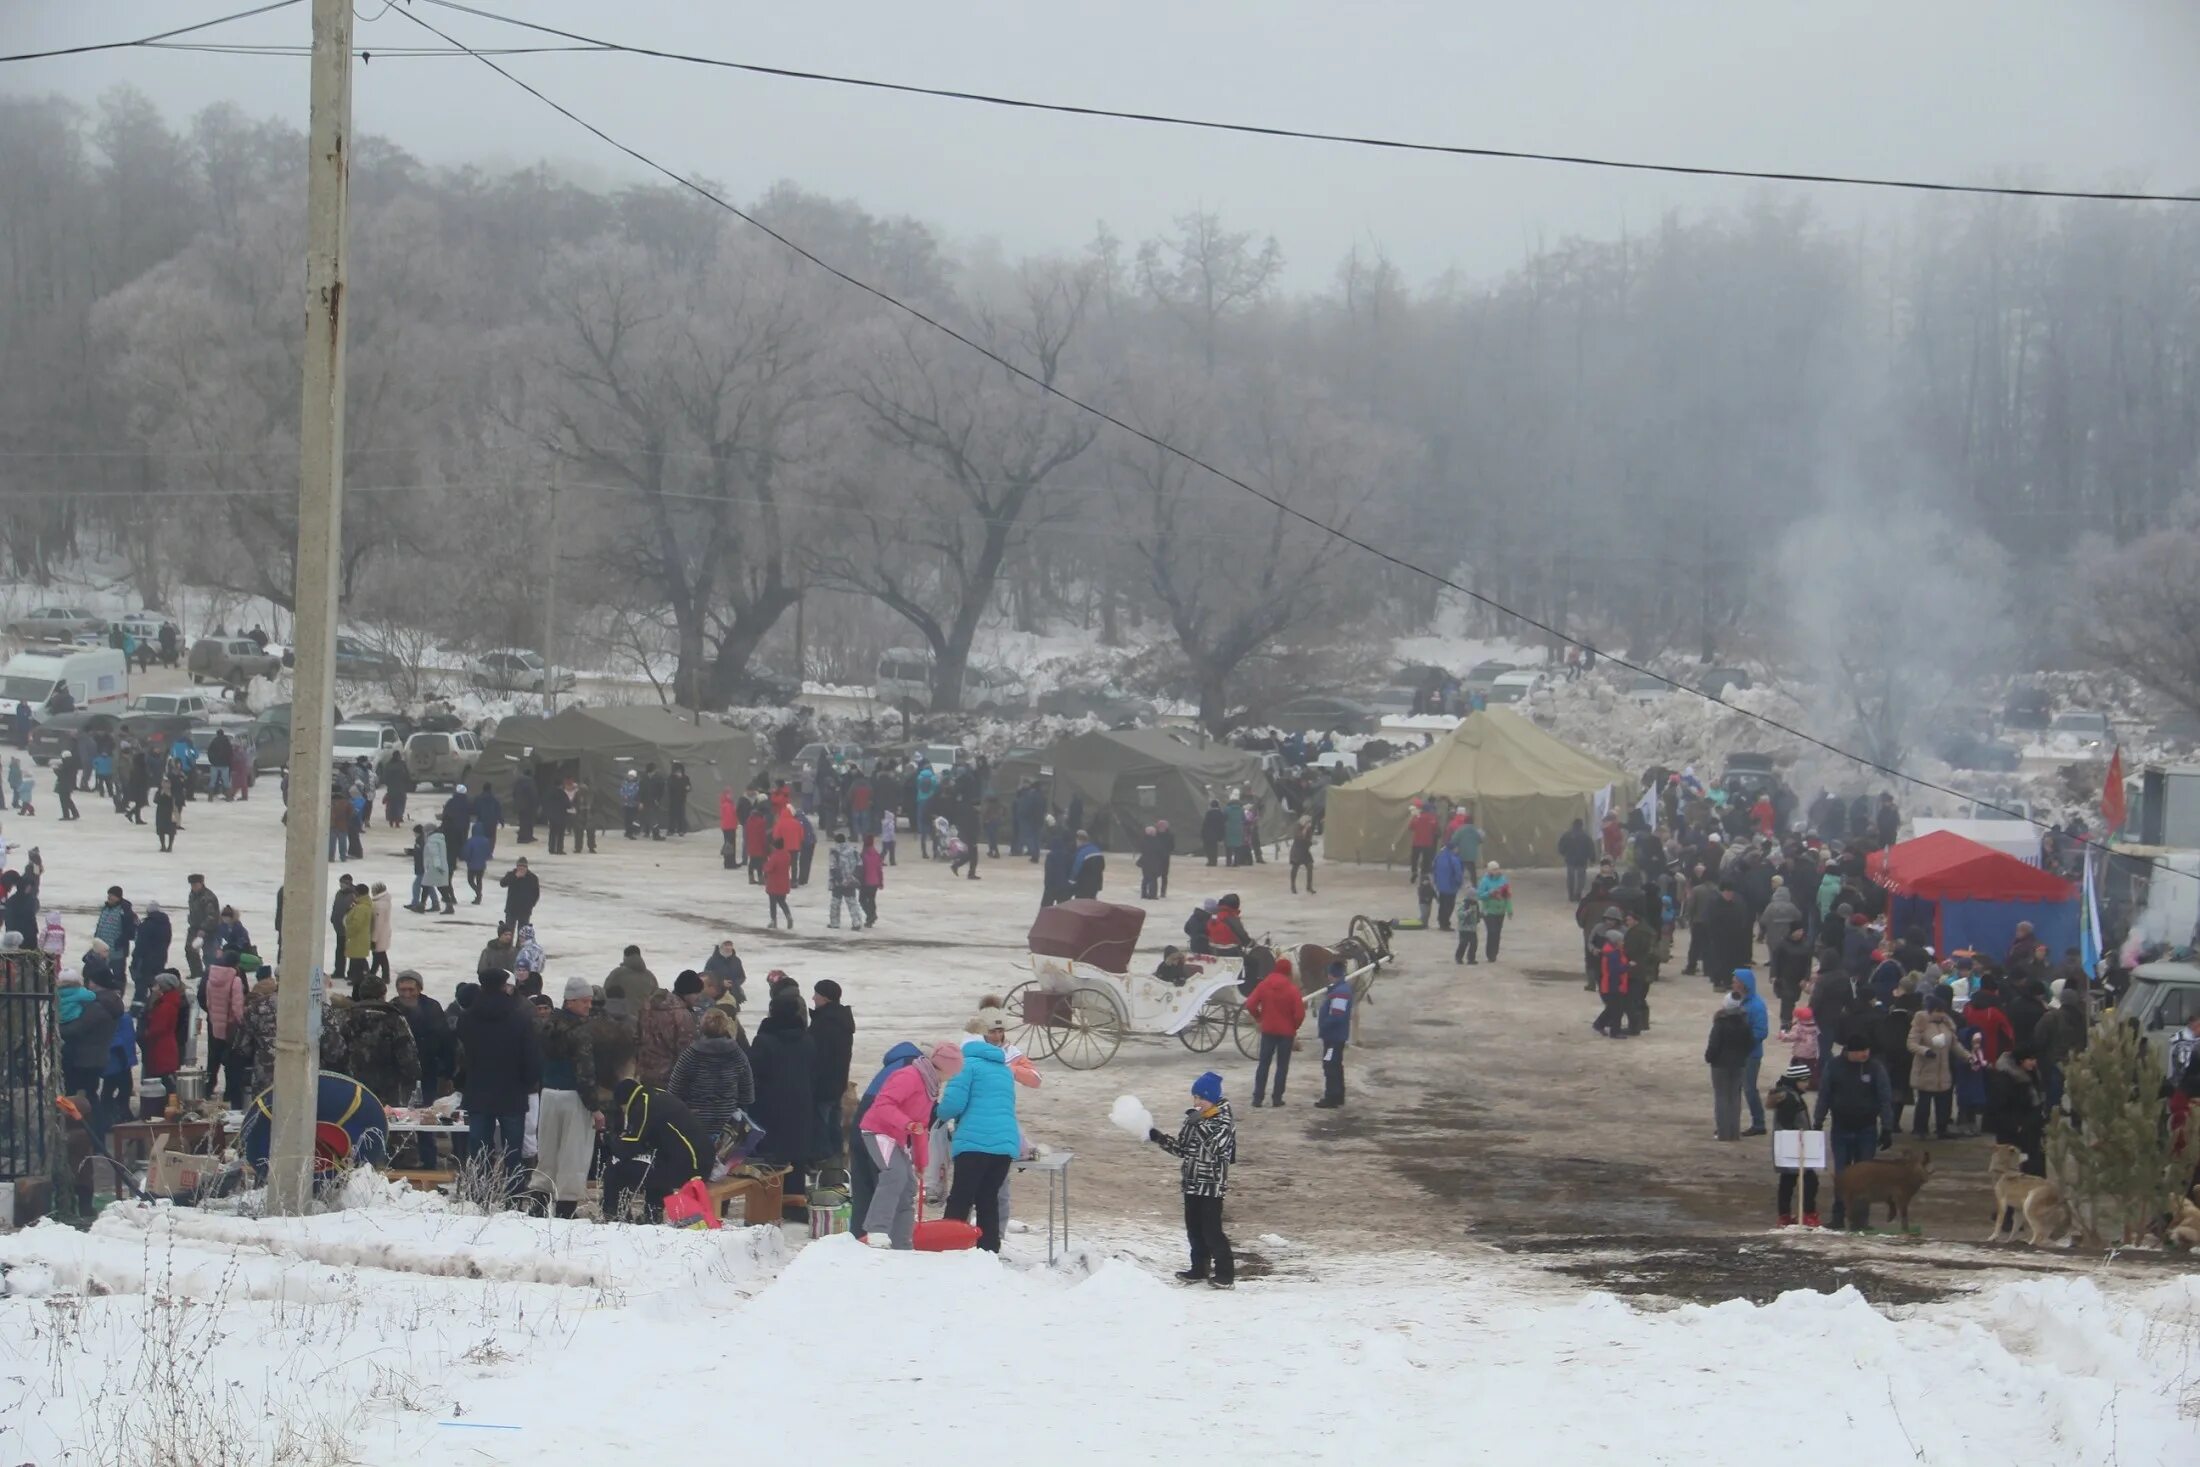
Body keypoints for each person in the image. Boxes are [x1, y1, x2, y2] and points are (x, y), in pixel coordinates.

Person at [859, 1041, 961, 1249]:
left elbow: (921, 1128)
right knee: (894, 1174)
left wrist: (921, 1163)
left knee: (908, 1186)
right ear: (943, 1069)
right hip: (877, 1131)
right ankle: (877, 1230)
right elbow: (883, 1104)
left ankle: (902, 1243)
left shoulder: (930, 1088)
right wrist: (906, 1123)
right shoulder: (910, 1076)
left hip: (896, 1137)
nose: (951, 1079)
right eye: (952, 1074)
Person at [936, 1017, 1021, 1252]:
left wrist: (937, 1111)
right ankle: (989, 1250)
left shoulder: (967, 1065)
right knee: (988, 1200)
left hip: (975, 1144)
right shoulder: (1004, 1069)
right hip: (1004, 1145)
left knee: (961, 1198)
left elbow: (953, 1104)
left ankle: (948, 1245)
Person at [455, 969, 542, 1195]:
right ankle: (513, 1196)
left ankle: (478, 1193)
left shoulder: (467, 1018)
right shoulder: (520, 1016)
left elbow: (463, 1056)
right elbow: (530, 1056)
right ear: (505, 986)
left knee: (479, 1149)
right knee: (513, 1150)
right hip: (513, 1092)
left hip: (478, 1090)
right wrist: (528, 1082)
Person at [1148, 1070, 1238, 1288]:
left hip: (1211, 1186)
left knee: (1211, 1230)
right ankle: (1199, 1268)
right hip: (1191, 1182)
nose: (1196, 1102)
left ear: (1212, 1098)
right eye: (1194, 1097)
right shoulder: (1194, 1120)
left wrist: (1199, 1123)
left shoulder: (1224, 1121)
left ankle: (1226, 1274)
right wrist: (1159, 1138)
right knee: (1194, 1229)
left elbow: (1215, 1147)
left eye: (1201, 1098)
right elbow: (1182, 1149)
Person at [602, 1054, 706, 1223]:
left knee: (615, 1167)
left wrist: (610, 1139)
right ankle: (653, 1213)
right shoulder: (654, 1095)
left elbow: (629, 1148)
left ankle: (613, 1215)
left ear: (625, 1102)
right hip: (697, 1161)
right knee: (653, 1164)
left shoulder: (641, 1106)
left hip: (688, 1168)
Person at [1814, 1032, 1895, 1230]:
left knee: (1864, 1178)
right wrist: (1818, 1121)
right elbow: (1824, 1094)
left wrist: (1887, 1127)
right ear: (1850, 1051)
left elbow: (1885, 1098)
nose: (1865, 1054)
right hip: (1841, 1129)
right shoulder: (1834, 1066)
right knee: (1842, 1175)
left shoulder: (1875, 1068)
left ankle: (1860, 1221)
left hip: (1866, 1130)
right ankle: (1838, 1216)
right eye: (1861, 1051)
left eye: (1867, 1050)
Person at [748, 987, 820, 1181]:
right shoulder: (807, 1040)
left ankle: (768, 1205)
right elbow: (813, 1073)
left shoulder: (763, 1041)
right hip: (801, 1105)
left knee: (770, 1161)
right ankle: (795, 1203)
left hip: (770, 1107)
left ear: (772, 1012)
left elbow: (752, 1075)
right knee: (796, 1156)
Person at [667, 1007, 756, 1154]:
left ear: (701, 1027)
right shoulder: (738, 1055)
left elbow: (674, 1092)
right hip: (728, 1127)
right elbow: (748, 1095)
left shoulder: (690, 1055)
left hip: (696, 1125)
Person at [333, 971, 421, 1110]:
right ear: (383, 995)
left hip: (351, 1089)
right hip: (387, 1092)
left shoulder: (343, 1017)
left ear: (361, 995)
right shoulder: (394, 1019)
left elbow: (334, 1053)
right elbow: (408, 1058)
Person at [1905, 990, 1970, 1141]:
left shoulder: (1947, 1025)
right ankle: (1920, 1128)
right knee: (1924, 1102)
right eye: (1937, 1011)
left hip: (1943, 1070)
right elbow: (1911, 1044)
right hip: (1925, 1069)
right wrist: (1925, 1051)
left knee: (1944, 1102)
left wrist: (1968, 1056)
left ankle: (1942, 1128)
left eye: (1942, 1011)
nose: (1940, 1014)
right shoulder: (1921, 1023)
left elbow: (1955, 1045)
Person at [1242, 957, 1307, 1107]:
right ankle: (1277, 1098)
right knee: (1282, 1066)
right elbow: (1299, 1014)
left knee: (1263, 1064)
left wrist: (1259, 1018)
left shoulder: (1264, 985)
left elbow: (1250, 1004)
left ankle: (1257, 1098)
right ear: (1289, 972)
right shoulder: (1292, 990)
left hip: (1268, 1030)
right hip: (1286, 1033)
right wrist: (1294, 1027)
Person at [1768, 1062, 1821, 1228]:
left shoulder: (1788, 1095)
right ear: (1795, 1081)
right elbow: (1787, 1123)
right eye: (1804, 1080)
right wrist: (1800, 1138)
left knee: (1788, 1182)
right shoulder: (1790, 1099)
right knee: (1809, 1180)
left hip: (1789, 1146)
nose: (1807, 1084)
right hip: (1793, 1146)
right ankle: (1808, 1214)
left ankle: (1784, 1215)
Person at [809, 980, 856, 1166]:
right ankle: (838, 1163)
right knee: (834, 1124)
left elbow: (817, 1056)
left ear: (826, 997)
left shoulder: (825, 1023)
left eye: (816, 994)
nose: (813, 997)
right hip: (838, 1082)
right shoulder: (842, 1020)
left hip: (823, 1084)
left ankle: (825, 1163)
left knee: (822, 1125)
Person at [1705, 988, 1754, 1141]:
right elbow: (1750, 1043)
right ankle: (1734, 1132)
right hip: (1739, 1064)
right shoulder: (1744, 1024)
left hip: (1720, 1065)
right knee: (1734, 1097)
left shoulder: (1720, 1024)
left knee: (1721, 1097)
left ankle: (1723, 1132)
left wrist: (1710, 1058)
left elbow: (1713, 1046)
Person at [638, 974, 701, 1086]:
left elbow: (638, 1037)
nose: (698, 997)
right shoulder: (682, 1015)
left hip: (645, 1073)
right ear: (686, 993)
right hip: (669, 1077)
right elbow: (686, 1053)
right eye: (695, 993)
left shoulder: (647, 1008)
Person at [1731, 968, 1769, 1134]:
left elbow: (1761, 1031)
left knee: (1749, 1089)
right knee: (1739, 1088)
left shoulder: (1756, 1005)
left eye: (1735, 980)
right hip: (1740, 1053)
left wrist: (1743, 1042)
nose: (1732, 983)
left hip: (1751, 1054)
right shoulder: (1740, 1001)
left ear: (1743, 984)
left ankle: (1759, 1123)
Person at [1315, 962, 1354, 1108]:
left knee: (1330, 1065)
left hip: (1333, 1037)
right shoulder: (1340, 989)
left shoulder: (1340, 993)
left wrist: (1324, 1026)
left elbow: (1337, 1016)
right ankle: (1338, 1095)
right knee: (1335, 1065)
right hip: (1336, 1036)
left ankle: (1331, 1097)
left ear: (1332, 975)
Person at [602, 945, 660, 1023]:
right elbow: (657, 999)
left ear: (625, 957)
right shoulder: (650, 976)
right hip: (645, 1022)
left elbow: (604, 993)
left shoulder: (617, 974)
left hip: (623, 1022)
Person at [1475, 862, 1512, 961]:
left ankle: (1495, 953)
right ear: (1489, 870)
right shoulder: (1485, 881)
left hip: (1500, 911)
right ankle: (1490, 954)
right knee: (1492, 931)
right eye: (1494, 869)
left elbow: (1507, 896)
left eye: (1497, 869)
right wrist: (1489, 893)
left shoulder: (1503, 880)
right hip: (1488, 911)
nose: (1497, 871)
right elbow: (1479, 895)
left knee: (1497, 933)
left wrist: (1509, 909)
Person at [1558, 817, 1595, 902]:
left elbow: (1561, 846)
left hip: (1570, 859)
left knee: (1570, 878)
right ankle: (1578, 894)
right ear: (1582, 825)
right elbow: (1590, 848)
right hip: (1582, 860)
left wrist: (1564, 853)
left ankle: (1571, 895)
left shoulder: (1567, 835)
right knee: (1581, 877)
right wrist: (1592, 858)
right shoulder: (1586, 836)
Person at [859, 833, 884, 927]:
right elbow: (879, 869)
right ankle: (871, 917)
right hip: (875, 881)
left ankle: (871, 915)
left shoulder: (863, 855)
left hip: (866, 881)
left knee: (862, 900)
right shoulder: (876, 854)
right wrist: (881, 882)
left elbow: (861, 870)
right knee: (872, 900)